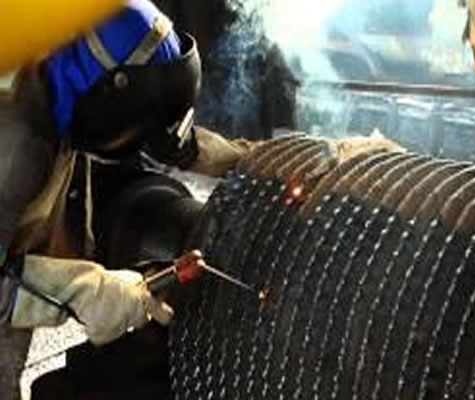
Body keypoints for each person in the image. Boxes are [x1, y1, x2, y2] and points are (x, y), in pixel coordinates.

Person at [0, 1, 247, 398]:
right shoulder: (14, 151)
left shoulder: (66, 80)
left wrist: (249, 160)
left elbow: (167, 138)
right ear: (109, 94)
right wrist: (85, 290)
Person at [153, 0, 299, 141]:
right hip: (174, 140)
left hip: (247, 148)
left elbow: (285, 133)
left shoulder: (253, 40)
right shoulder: (157, 21)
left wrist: (283, 137)